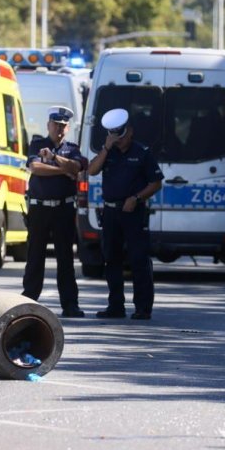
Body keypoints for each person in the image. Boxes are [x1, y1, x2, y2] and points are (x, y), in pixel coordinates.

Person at [87, 108, 163, 320]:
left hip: (133, 212)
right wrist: (105, 148)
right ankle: (115, 306)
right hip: (111, 212)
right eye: (113, 136)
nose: (117, 140)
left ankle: (142, 307)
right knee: (111, 259)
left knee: (139, 259)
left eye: (119, 136)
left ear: (129, 131)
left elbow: (156, 183)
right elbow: (91, 171)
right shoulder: (108, 152)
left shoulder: (142, 153)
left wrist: (137, 198)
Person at [21, 106, 87, 318]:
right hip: (40, 208)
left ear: (67, 128)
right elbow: (36, 168)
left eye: (62, 126)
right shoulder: (38, 144)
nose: (58, 129)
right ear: (48, 125)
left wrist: (57, 159)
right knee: (35, 256)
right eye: (55, 125)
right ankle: (29, 301)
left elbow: (77, 167)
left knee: (65, 258)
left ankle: (70, 304)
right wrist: (63, 171)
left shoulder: (72, 148)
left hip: (64, 209)